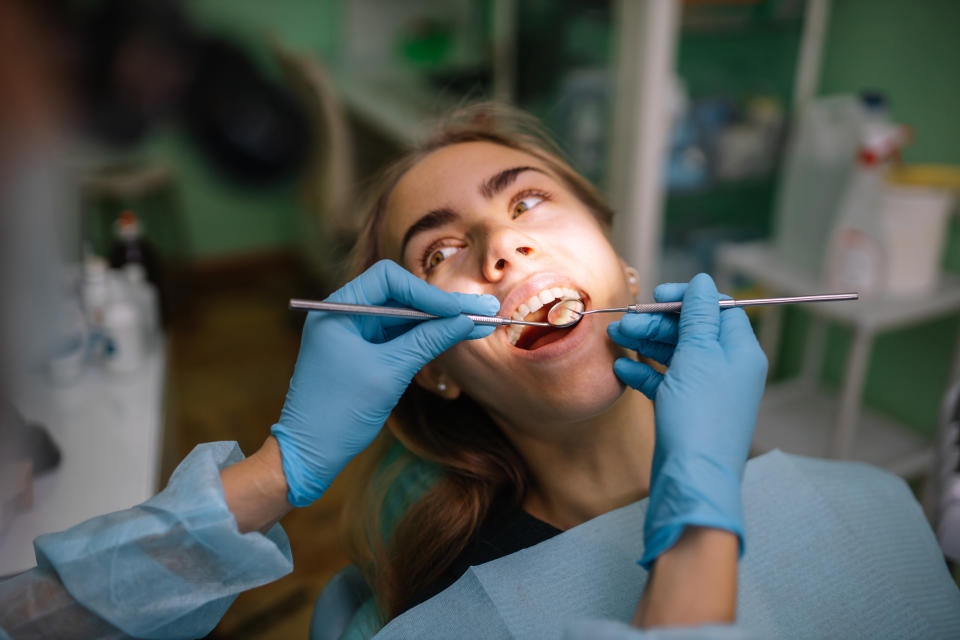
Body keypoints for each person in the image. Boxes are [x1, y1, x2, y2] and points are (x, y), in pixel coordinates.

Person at [2, 106, 958, 639]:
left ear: (620, 264)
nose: (502, 248)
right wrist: (272, 474)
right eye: (439, 254)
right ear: (434, 370)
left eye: (531, 202)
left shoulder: (874, 508)